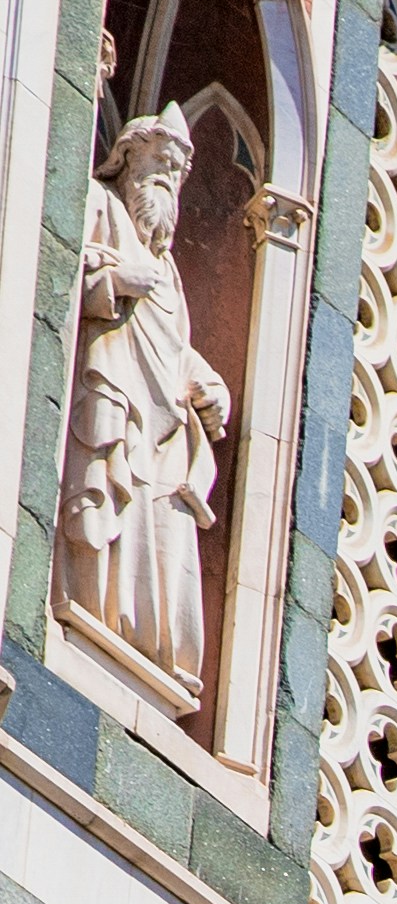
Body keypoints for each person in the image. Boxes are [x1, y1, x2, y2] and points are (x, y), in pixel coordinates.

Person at [62, 106, 228, 711]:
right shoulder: (102, 207)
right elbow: (62, 273)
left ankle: (152, 648)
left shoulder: (171, 269)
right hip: (109, 390)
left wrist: (211, 387)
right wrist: (114, 282)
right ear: (129, 156)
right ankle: (89, 604)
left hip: (163, 429)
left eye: (177, 171)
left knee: (165, 529)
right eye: (160, 162)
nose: (168, 178)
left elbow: (175, 345)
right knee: (102, 495)